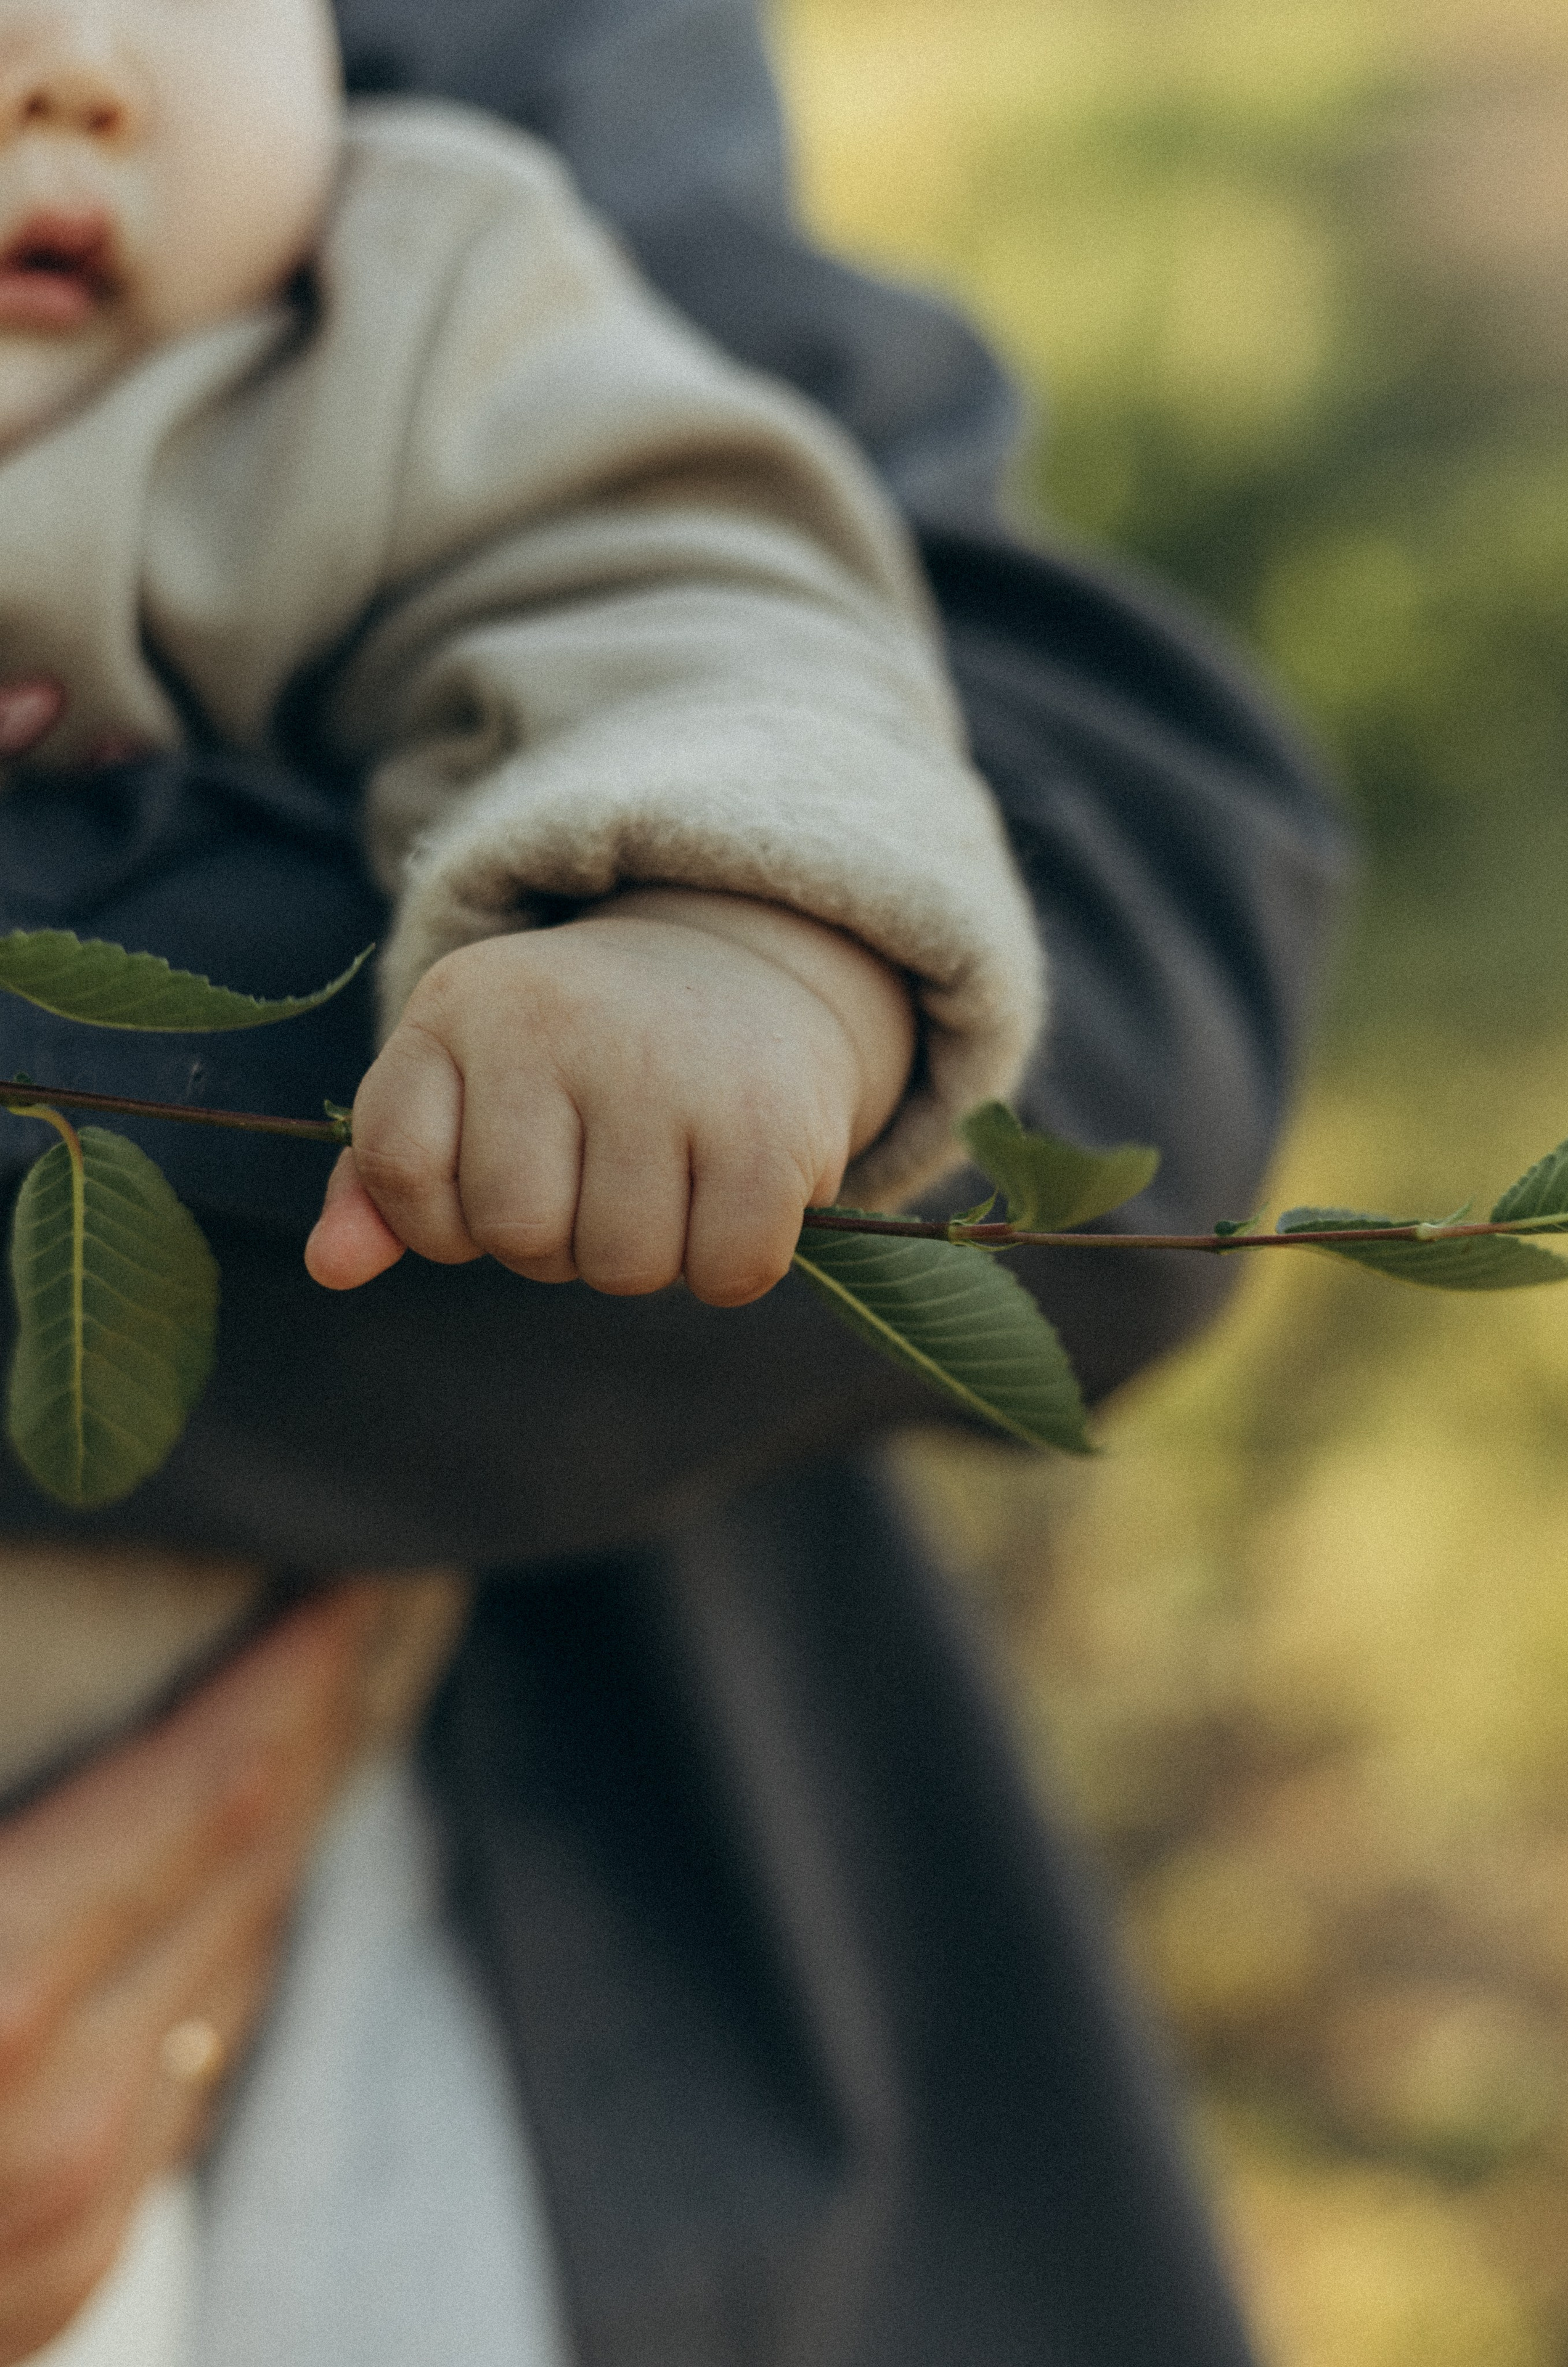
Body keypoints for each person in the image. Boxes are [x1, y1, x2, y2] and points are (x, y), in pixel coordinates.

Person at [0, 0, 1350, 2361]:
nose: (82, 68)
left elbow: (696, 605)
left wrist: (719, 932)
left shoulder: (386, 321)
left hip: (206, 2040)